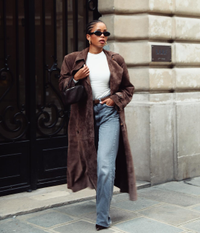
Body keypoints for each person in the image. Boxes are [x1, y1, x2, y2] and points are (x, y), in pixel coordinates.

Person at [59, 20, 136, 231]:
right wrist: (75, 78)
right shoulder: (73, 59)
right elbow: (62, 87)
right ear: (88, 36)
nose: (103, 36)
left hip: (109, 113)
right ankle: (102, 196)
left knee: (104, 166)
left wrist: (115, 99)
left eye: (106, 33)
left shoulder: (115, 59)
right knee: (91, 163)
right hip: (84, 115)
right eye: (98, 32)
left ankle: (102, 217)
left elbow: (129, 88)